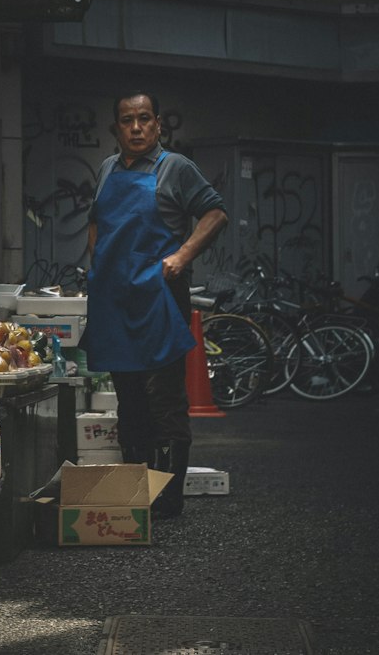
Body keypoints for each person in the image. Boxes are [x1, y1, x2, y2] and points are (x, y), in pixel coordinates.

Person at [83, 91, 228, 518]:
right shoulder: (108, 168)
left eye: (144, 119)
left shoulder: (175, 168)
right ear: (116, 128)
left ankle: (166, 500)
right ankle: (137, 494)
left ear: (158, 124)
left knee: (163, 395)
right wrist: (99, 266)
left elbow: (215, 213)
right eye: (127, 120)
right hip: (115, 302)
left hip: (160, 299)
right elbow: (96, 220)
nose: (136, 128)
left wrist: (182, 256)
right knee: (128, 398)